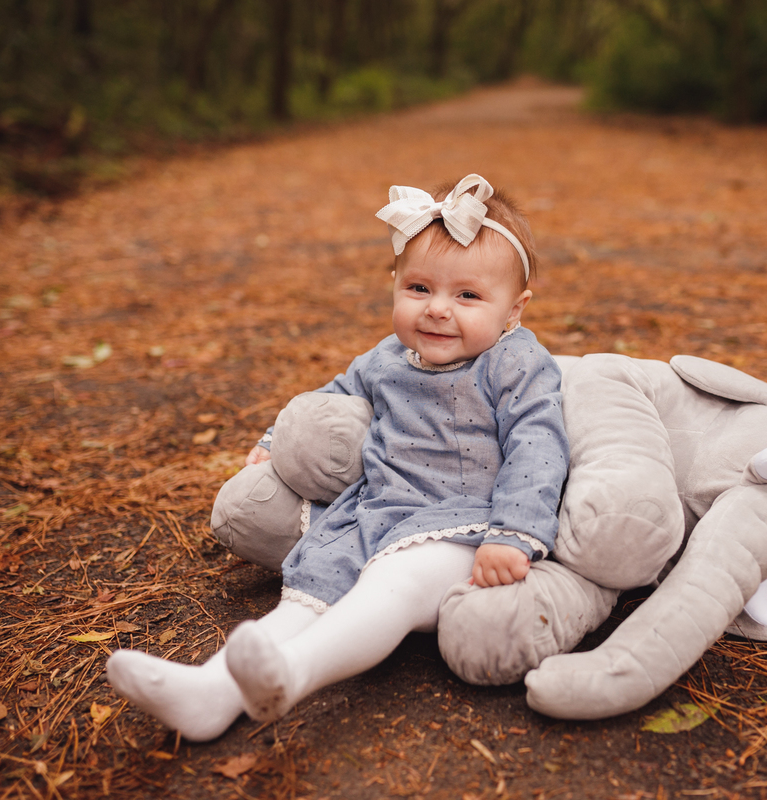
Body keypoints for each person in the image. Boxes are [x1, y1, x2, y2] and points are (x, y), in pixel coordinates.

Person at [106, 174, 568, 741]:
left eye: (468, 296)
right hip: (376, 512)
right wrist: (275, 441)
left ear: (514, 309)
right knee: (310, 593)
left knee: (390, 585)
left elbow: (537, 445)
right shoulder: (390, 357)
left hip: (462, 527)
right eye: (419, 288)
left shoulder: (515, 363)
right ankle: (209, 695)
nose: (438, 310)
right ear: (395, 284)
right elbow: (332, 394)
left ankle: (293, 678)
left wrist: (513, 533)